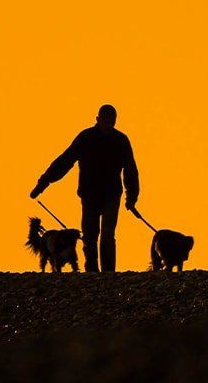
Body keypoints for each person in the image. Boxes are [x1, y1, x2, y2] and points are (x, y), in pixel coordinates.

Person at [29, 104, 139, 272]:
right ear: (97, 119)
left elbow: (131, 170)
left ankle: (108, 273)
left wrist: (131, 197)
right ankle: (92, 273)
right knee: (89, 236)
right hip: (90, 196)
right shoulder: (86, 138)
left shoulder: (121, 140)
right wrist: (43, 183)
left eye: (111, 123)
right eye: (105, 122)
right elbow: (65, 161)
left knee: (108, 235)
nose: (108, 126)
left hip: (111, 196)